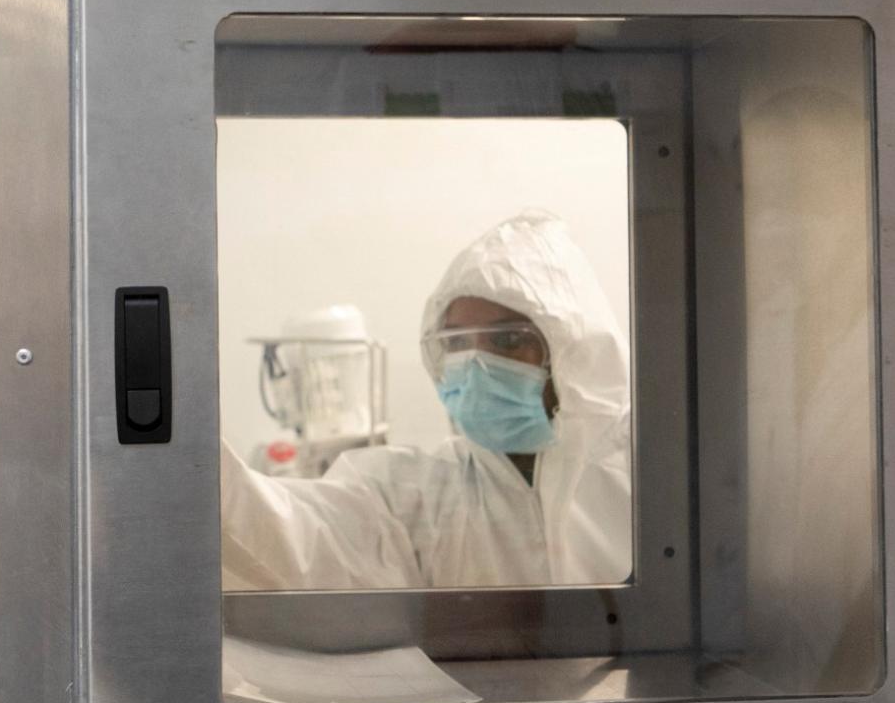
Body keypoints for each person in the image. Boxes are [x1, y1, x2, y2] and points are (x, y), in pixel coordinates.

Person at [221, 211, 632, 589]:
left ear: (574, 354)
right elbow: (294, 538)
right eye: (456, 344)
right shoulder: (422, 494)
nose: (474, 368)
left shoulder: (649, 474)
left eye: (508, 341)